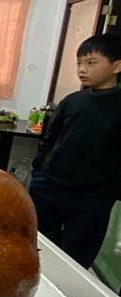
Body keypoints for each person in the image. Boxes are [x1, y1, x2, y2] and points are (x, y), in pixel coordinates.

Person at [29, 33, 121, 269]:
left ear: (117, 65)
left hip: (91, 196)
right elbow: (49, 140)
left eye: (91, 62)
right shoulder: (72, 101)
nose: (82, 69)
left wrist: (108, 192)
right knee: (39, 250)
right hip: (50, 187)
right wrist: (39, 172)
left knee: (76, 259)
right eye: (79, 63)